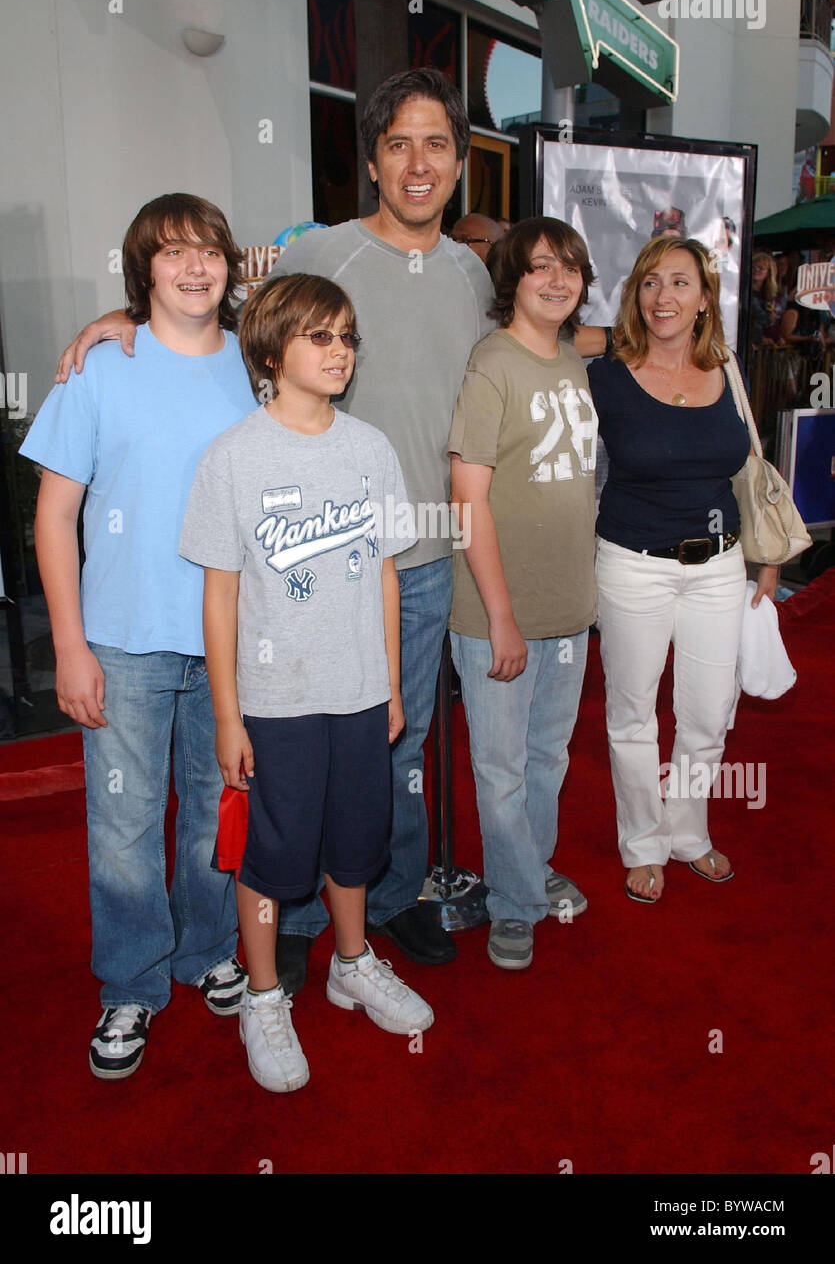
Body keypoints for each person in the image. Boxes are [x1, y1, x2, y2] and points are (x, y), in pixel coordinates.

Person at [53, 69, 607, 985]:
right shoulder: (329, 254)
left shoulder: (474, 271)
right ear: (373, 162)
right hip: (314, 559)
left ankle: (387, 905)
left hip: (428, 557)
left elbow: (539, 332)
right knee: (293, 750)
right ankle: (300, 915)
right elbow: (237, 318)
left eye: (436, 144)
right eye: (398, 144)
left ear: (461, 164)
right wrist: (126, 318)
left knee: (392, 750)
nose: (417, 162)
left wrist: (643, 338)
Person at [20, 195, 257, 1078]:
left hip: (230, 641)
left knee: (214, 810)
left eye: (209, 252)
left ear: (230, 266)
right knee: (122, 826)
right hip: (122, 640)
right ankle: (130, 981)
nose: (194, 267)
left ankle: (206, 951)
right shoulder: (99, 368)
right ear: (144, 270)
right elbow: (54, 517)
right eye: (172, 253)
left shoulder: (254, 365)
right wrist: (71, 647)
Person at [179, 272, 433, 1093]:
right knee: (272, 854)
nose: (338, 351)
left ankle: (352, 963)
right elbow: (218, 596)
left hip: (359, 694)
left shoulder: (370, 448)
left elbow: (388, 578)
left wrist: (392, 685)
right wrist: (227, 718)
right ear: (269, 347)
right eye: (319, 336)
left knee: (358, 838)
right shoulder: (233, 456)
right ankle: (260, 996)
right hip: (274, 701)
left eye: (347, 336)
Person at [588, 238, 778, 904]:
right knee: (632, 716)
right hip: (631, 565)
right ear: (634, 295)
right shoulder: (603, 374)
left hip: (719, 566)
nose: (662, 296)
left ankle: (687, 832)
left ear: (704, 298)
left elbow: (748, 468)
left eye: (678, 282)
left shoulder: (726, 367)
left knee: (706, 714)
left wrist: (761, 554)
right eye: (649, 282)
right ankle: (642, 844)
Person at [448, 218, 598, 969]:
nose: (557, 279)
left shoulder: (571, 359)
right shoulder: (491, 363)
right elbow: (466, 499)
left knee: (547, 759)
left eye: (569, 266)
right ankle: (512, 903)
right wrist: (501, 619)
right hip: (494, 616)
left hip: (569, 609)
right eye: (540, 266)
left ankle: (527, 872)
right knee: (500, 769)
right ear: (512, 278)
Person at [749, 251, 784, 347]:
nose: (756, 270)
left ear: (768, 273)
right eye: (754, 267)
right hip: (752, 344)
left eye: (761, 268)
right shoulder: (746, 292)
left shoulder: (770, 295)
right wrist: (759, 338)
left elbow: (774, 321)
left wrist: (778, 337)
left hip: (769, 345)